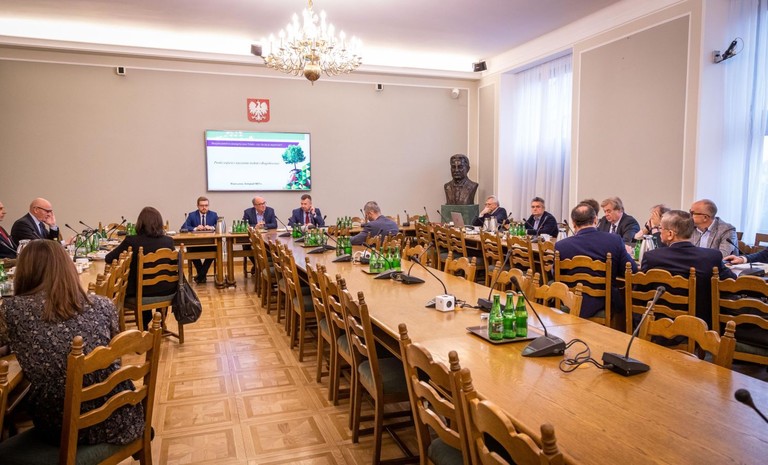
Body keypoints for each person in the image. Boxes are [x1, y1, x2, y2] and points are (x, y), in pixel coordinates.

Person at [0, 240, 144, 445]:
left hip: (63, 423)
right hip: (120, 410)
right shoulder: (102, 304)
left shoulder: (11, 310)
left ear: (24, 272)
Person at [641, 210, 736, 325]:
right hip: (701, 324)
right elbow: (731, 282)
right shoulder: (712, 256)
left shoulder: (652, 257)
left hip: (660, 322)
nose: (659, 232)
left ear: (670, 234)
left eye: (661, 228)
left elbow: (641, 291)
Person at [555, 203, 637, 319]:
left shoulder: (561, 246)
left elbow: (555, 274)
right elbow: (632, 270)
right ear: (595, 220)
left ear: (573, 223)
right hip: (604, 302)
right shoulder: (614, 240)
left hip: (570, 302)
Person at [105, 206, 176, 328]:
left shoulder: (132, 241)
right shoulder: (168, 241)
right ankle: (159, 322)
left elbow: (109, 258)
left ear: (140, 224)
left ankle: (144, 324)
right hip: (167, 290)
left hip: (141, 292)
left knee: (128, 286)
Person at [180, 196, 218, 283]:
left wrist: (212, 227)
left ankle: (200, 276)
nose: (204, 207)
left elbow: (221, 226)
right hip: (195, 244)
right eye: (202, 205)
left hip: (209, 244)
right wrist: (195, 228)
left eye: (206, 205)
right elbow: (183, 227)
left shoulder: (214, 214)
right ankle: (202, 275)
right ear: (197, 206)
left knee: (216, 249)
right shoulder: (192, 215)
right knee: (190, 249)